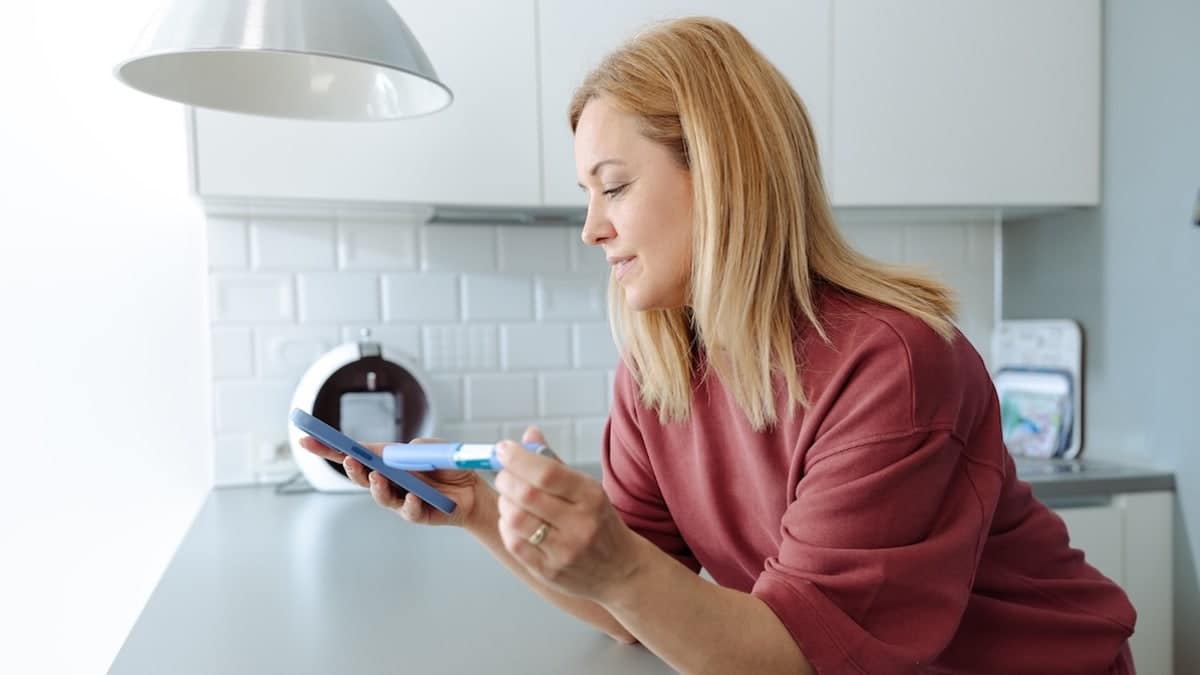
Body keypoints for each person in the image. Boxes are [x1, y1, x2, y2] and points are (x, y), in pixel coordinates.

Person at [301, 16, 1137, 675]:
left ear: (721, 170)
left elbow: (792, 655)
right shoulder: (660, 368)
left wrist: (619, 567)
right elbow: (629, 605)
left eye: (615, 186)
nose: (593, 228)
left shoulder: (895, 365)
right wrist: (481, 511)